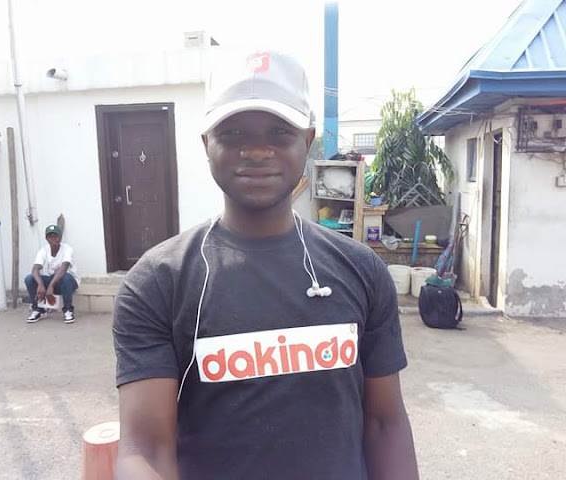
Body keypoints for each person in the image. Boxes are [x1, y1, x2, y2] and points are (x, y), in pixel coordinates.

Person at [113, 51, 418, 479]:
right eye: (233, 132)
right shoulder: (157, 282)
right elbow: (145, 449)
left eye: (279, 132)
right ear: (206, 143)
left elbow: (385, 425)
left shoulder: (361, 270)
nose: (256, 151)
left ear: (307, 142)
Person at [25, 224, 79, 324]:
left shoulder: (67, 249)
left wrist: (51, 286)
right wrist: (40, 284)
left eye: (56, 236)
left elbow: (64, 267)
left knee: (66, 277)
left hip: (68, 283)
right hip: (53, 281)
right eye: (50, 237)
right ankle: (38, 310)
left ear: (60, 237)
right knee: (29, 278)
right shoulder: (43, 250)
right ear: (47, 238)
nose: (54, 239)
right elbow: (35, 268)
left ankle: (68, 310)